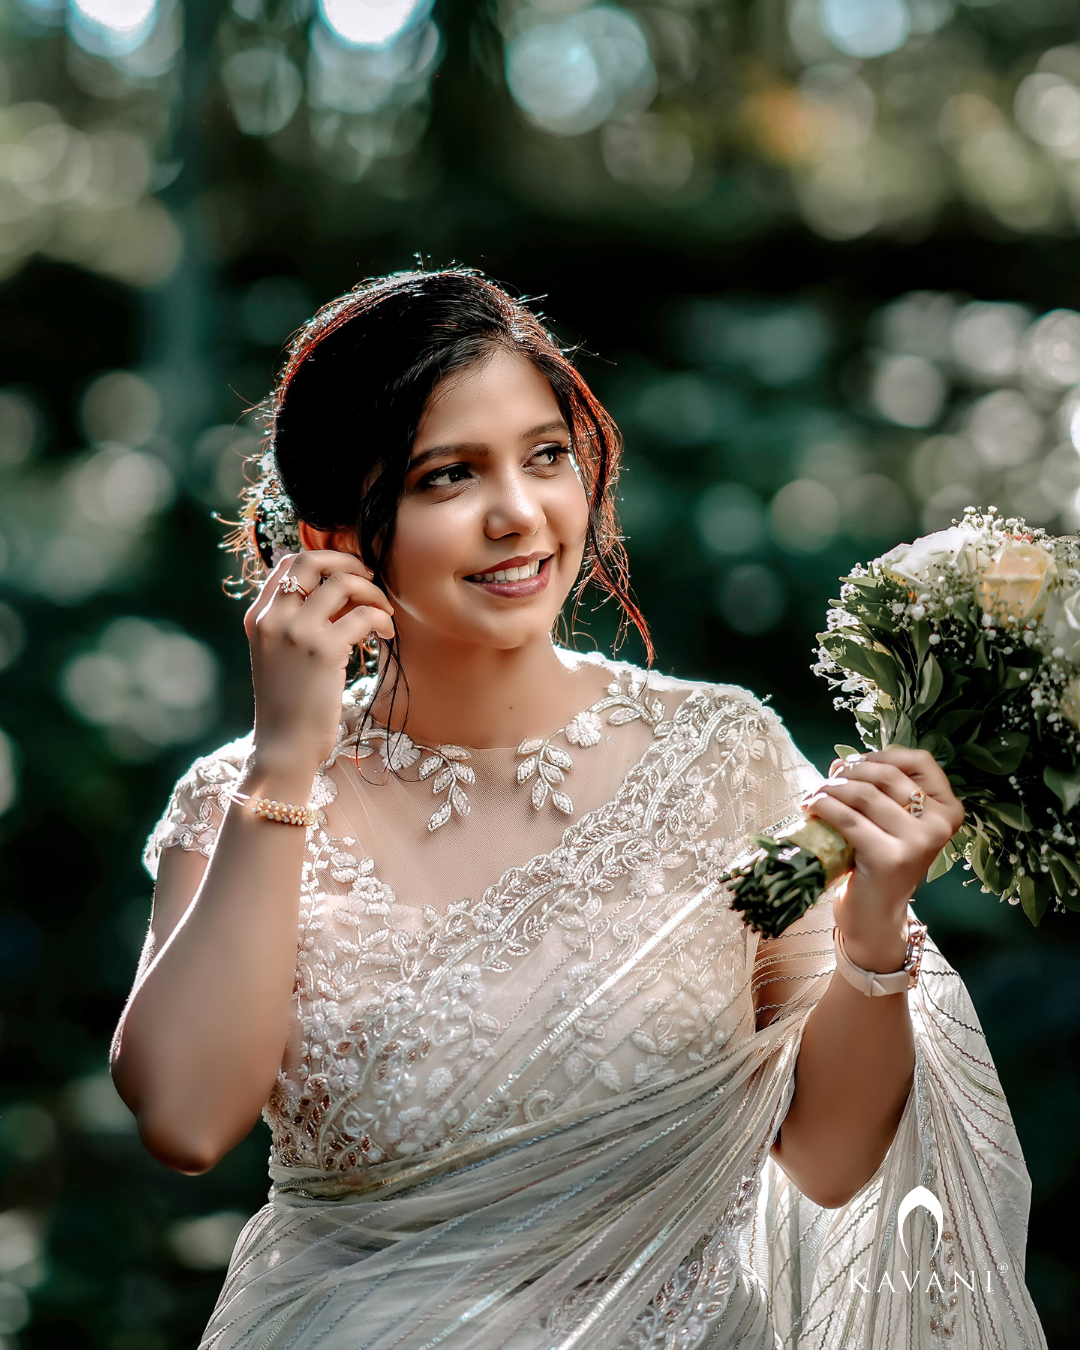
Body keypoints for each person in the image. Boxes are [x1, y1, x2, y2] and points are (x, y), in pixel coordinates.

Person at [110, 269, 1047, 1349]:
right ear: (333, 536)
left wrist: (873, 929)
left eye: (545, 455)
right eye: (448, 475)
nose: (519, 513)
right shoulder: (244, 799)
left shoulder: (719, 756)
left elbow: (831, 1163)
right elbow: (185, 1120)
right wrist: (286, 762)